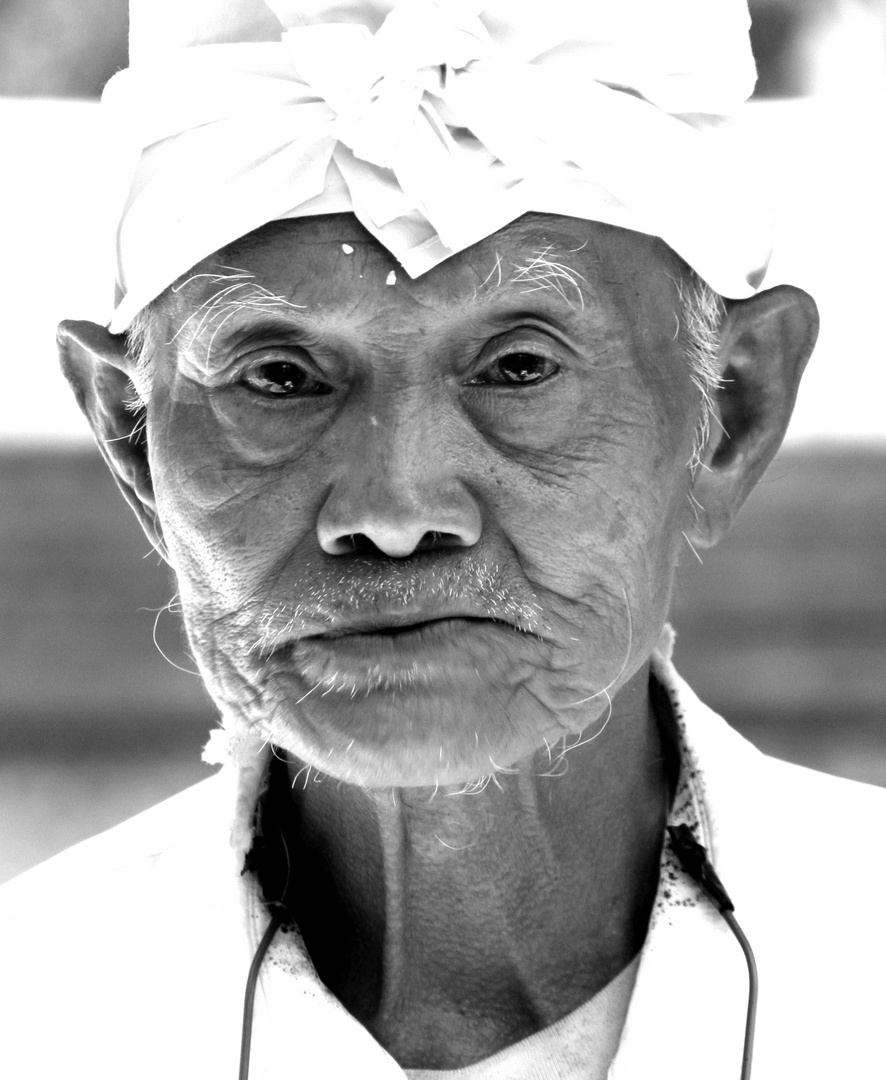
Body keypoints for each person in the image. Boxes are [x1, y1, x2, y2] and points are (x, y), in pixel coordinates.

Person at [1, 2, 884, 1078]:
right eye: (278, 378)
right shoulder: (32, 1012)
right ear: (131, 438)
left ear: (729, 414)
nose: (393, 506)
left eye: (518, 367)